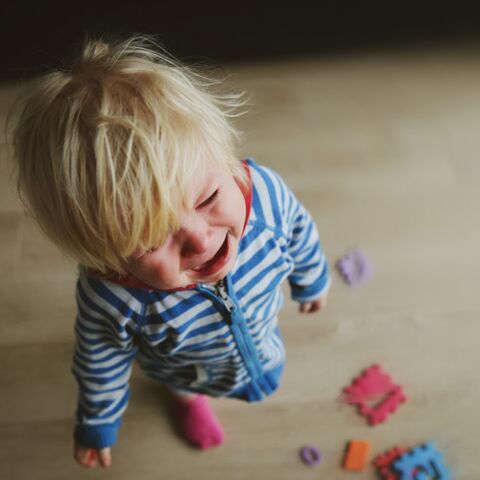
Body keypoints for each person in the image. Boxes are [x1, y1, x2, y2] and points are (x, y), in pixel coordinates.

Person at [7, 35, 331, 469]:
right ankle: (188, 401)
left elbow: (299, 230)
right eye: (153, 238)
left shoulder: (265, 195)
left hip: (260, 317)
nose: (200, 239)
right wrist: (97, 422)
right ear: (106, 256)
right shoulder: (114, 299)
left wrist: (311, 279)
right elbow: (98, 361)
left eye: (208, 198)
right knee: (184, 384)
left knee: (259, 338)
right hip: (184, 367)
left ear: (225, 157)